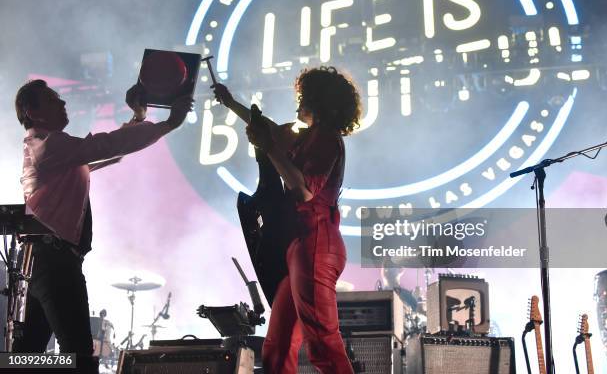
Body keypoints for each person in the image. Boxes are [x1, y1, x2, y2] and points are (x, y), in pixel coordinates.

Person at [13, 79, 192, 373]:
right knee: (79, 356)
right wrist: (169, 123)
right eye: (52, 99)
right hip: (54, 262)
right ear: (32, 111)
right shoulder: (49, 145)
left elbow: (110, 151)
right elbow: (107, 146)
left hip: (42, 261)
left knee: (26, 356)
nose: (63, 103)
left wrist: (139, 119)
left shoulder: (53, 149)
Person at [213, 66, 361, 373]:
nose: (298, 103)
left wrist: (267, 147)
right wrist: (231, 104)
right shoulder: (307, 137)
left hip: (316, 241)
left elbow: (305, 190)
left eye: (304, 97)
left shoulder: (325, 139)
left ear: (318, 102)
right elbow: (267, 129)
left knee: (322, 342)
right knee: (278, 346)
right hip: (302, 245)